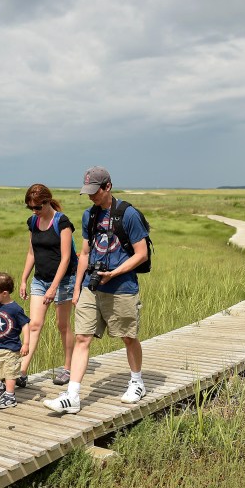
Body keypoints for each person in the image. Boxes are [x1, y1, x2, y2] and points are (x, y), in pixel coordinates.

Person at [43, 166, 148, 414]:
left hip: (122, 287)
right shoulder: (89, 216)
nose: (91, 196)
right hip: (91, 285)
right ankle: (72, 396)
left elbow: (141, 254)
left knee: (128, 336)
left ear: (108, 187)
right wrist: (77, 287)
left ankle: (137, 382)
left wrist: (115, 272)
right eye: (87, 192)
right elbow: (86, 254)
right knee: (82, 337)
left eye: (95, 192)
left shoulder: (128, 214)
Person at [18, 184, 77, 388]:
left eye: (37, 207)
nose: (34, 211)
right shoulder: (33, 222)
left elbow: (66, 258)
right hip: (40, 279)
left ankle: (68, 368)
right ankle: (22, 371)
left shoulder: (62, 223)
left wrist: (54, 287)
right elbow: (31, 253)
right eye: (30, 208)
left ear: (47, 201)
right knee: (34, 324)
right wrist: (24, 278)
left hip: (64, 281)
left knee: (63, 326)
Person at [0, 272, 30, 409]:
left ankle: (10, 396)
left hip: (10, 348)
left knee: (9, 372)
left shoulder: (15, 309)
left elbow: (25, 325)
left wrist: (26, 343)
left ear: (4, 293)